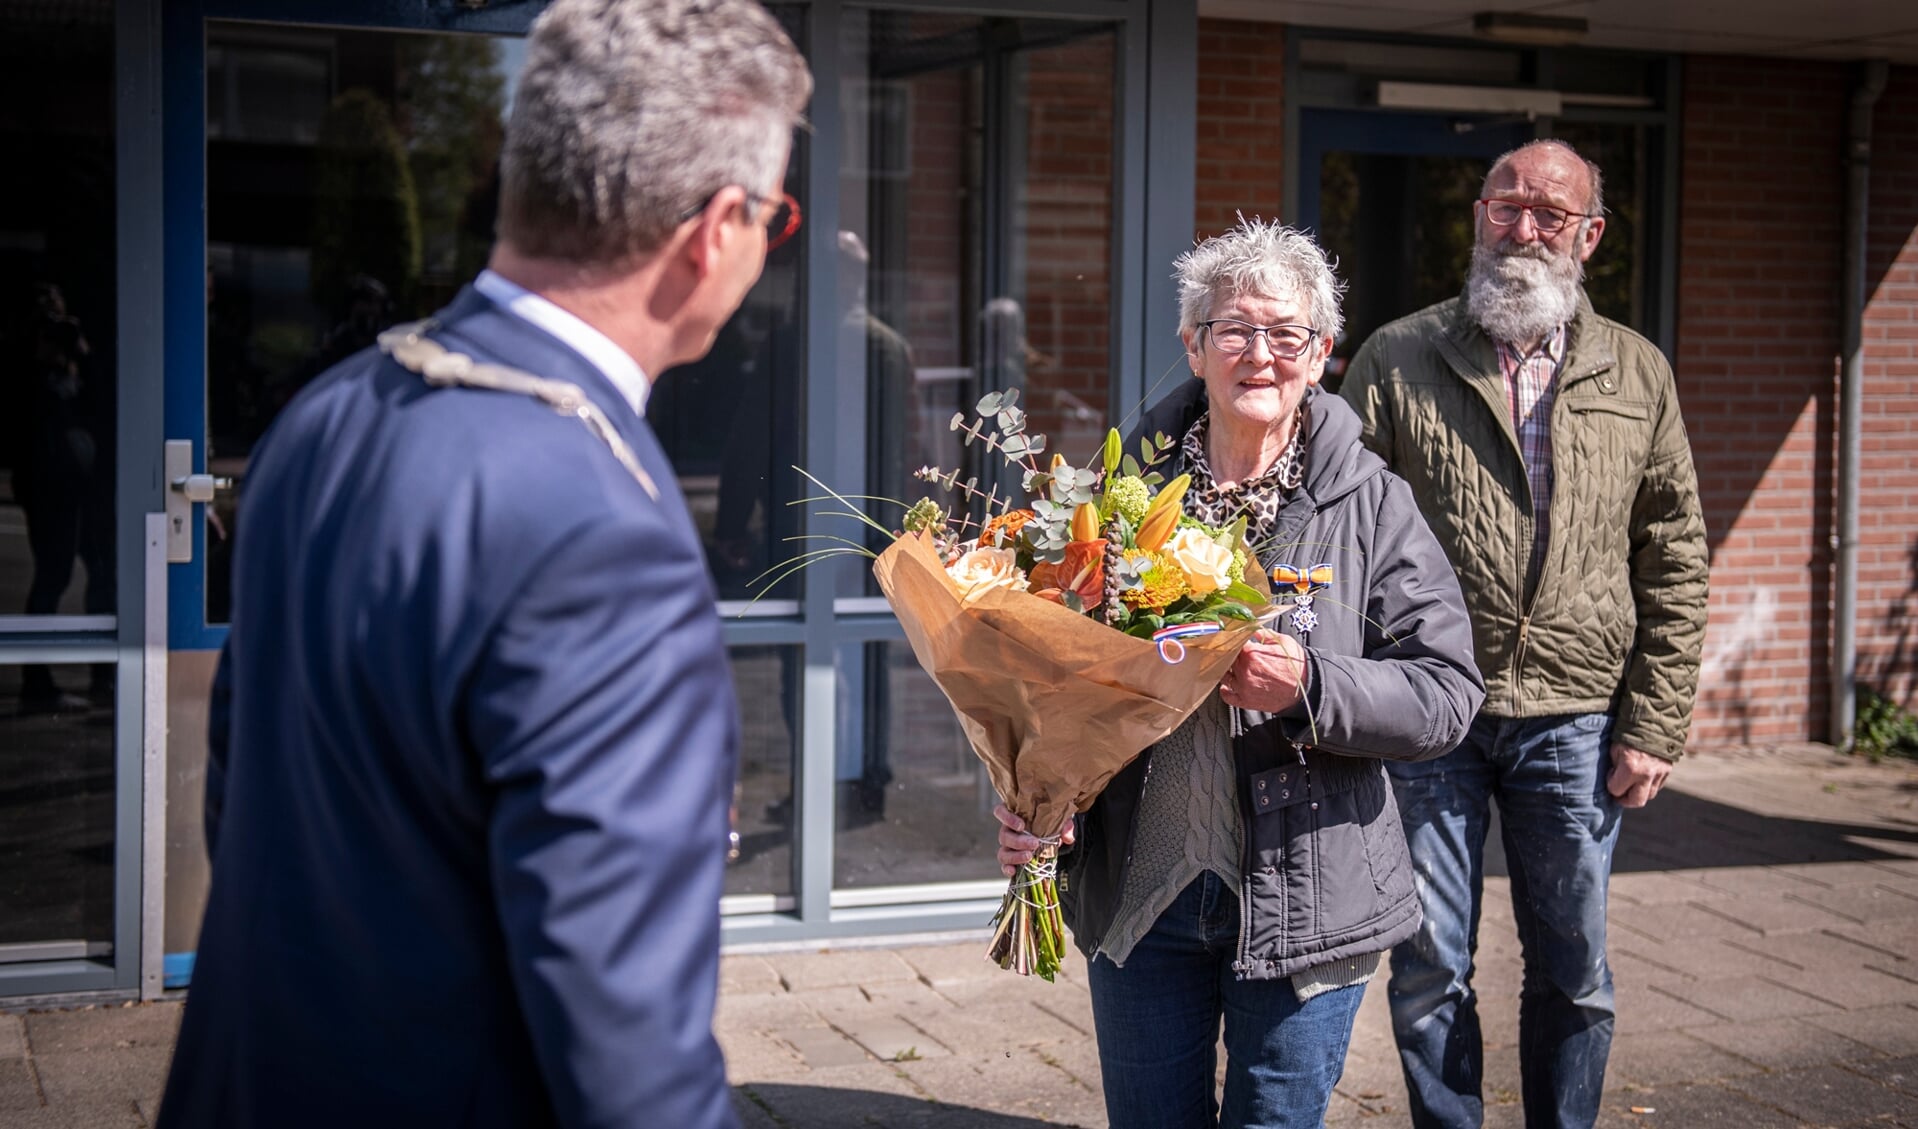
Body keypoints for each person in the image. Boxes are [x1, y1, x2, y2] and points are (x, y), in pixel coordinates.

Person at [157, 3, 810, 1127]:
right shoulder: (600, 527)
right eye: (776, 219)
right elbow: (624, 1049)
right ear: (716, 227)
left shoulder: (327, 414)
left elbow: (248, 809)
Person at [996, 217, 1485, 1129]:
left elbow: (1448, 693)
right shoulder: (1115, 502)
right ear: (1194, 345)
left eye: (1286, 333)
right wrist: (1038, 799)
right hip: (1145, 898)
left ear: (1322, 352)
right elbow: (1046, 686)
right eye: (1234, 329)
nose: (1260, 353)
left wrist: (1311, 684)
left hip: (1311, 900)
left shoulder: (1374, 504)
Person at [1339, 139, 1709, 1129]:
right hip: (1429, 710)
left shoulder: (1638, 372)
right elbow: (1333, 539)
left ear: (1588, 237)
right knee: (1425, 970)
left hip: (1577, 715)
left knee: (1575, 970)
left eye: (1550, 212)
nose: (1524, 227)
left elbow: (1673, 556)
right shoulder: (1397, 356)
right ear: (1477, 216)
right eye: (1506, 203)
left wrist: (1656, 721)